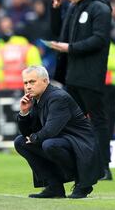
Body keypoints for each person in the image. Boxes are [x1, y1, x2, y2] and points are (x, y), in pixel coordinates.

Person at [49, 0, 113, 180]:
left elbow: (100, 40)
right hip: (72, 75)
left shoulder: (99, 8)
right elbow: (58, 35)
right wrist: (56, 9)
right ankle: (77, 165)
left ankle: (104, 168)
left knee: (97, 120)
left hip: (91, 75)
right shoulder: (73, 9)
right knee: (71, 122)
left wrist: (70, 48)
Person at [14, 66, 102, 199]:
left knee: (49, 144)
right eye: (25, 83)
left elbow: (51, 130)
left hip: (80, 144)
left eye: (32, 82)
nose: (28, 86)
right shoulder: (37, 99)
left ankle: (83, 183)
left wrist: (34, 137)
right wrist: (24, 113)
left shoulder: (58, 97)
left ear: (45, 81)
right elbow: (28, 132)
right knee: (20, 142)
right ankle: (54, 187)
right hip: (61, 140)